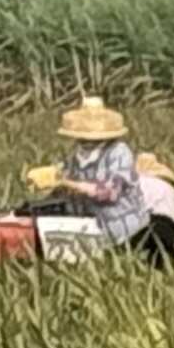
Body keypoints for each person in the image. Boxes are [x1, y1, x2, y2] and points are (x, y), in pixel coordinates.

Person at [42, 100, 151, 246]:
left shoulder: (119, 152)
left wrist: (68, 183)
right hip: (89, 228)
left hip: (125, 230)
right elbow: (63, 188)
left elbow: (110, 192)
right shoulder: (75, 157)